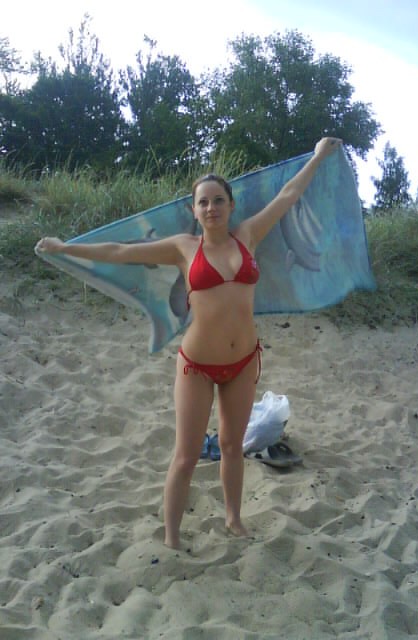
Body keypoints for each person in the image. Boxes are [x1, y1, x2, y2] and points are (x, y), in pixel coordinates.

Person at [35, 136, 342, 549]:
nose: (211, 207)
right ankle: (172, 536)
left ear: (231, 206)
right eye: (203, 202)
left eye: (218, 200)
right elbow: (121, 251)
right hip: (196, 365)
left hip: (243, 363)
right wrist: (66, 248)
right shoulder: (183, 248)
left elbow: (288, 195)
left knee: (232, 446)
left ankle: (233, 519)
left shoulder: (248, 235)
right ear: (193, 211)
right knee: (186, 454)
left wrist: (318, 156)